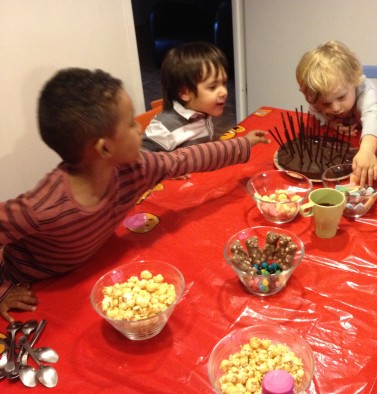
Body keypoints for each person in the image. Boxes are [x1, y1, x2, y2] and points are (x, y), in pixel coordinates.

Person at [0, 68, 269, 322]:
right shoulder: (43, 207)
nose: (140, 129)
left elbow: (186, 158)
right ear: (105, 150)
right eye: (130, 124)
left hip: (89, 271)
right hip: (37, 285)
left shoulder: (137, 169)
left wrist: (242, 144)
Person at [296, 40, 377, 186]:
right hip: (346, 144)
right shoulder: (318, 98)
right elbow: (315, 111)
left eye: (341, 97)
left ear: (354, 81)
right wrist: (331, 124)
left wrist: (367, 150)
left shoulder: (368, 93)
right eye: (326, 103)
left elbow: (373, 118)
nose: (335, 108)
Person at [142, 41, 230, 152]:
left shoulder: (202, 111)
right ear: (185, 93)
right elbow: (141, 161)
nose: (223, 92)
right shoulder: (164, 129)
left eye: (224, 83)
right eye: (212, 87)